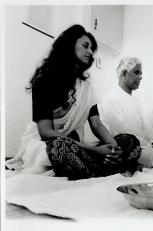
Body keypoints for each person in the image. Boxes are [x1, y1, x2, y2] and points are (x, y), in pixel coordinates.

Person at [6, 25, 142, 180]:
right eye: (85, 46)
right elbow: (46, 132)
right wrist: (95, 150)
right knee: (59, 148)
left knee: (130, 141)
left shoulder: (86, 86)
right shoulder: (44, 80)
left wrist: (113, 148)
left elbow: (96, 123)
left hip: (78, 148)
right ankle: (103, 170)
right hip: (45, 146)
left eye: (91, 49)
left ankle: (92, 170)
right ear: (69, 46)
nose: (90, 52)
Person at [97, 57, 153, 168]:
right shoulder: (111, 96)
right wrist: (149, 146)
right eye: (136, 72)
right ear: (124, 74)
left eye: (141, 73)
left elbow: (143, 129)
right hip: (122, 147)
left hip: (139, 145)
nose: (141, 77)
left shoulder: (135, 101)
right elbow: (120, 132)